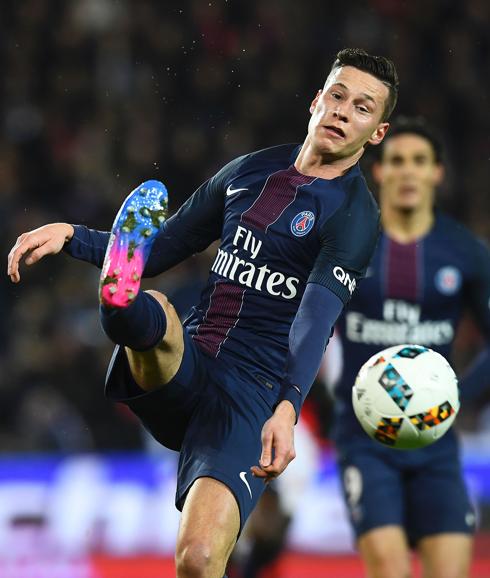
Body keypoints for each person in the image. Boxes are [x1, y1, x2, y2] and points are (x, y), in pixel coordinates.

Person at [7, 48, 398, 578]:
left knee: (197, 559)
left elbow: (315, 318)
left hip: (250, 399)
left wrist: (286, 407)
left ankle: (122, 306)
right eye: (337, 95)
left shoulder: (353, 216)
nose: (342, 111)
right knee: (157, 314)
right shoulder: (251, 171)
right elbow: (165, 247)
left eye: (362, 107)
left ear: (376, 132)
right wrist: (74, 236)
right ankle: (119, 303)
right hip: (192, 360)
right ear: (315, 100)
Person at [330, 116, 490, 578]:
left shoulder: (465, 253)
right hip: (364, 440)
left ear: (437, 172)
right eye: (397, 161)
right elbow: (306, 326)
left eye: (419, 161)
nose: (407, 171)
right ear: (378, 172)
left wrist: (457, 394)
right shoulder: (348, 246)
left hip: (436, 444)